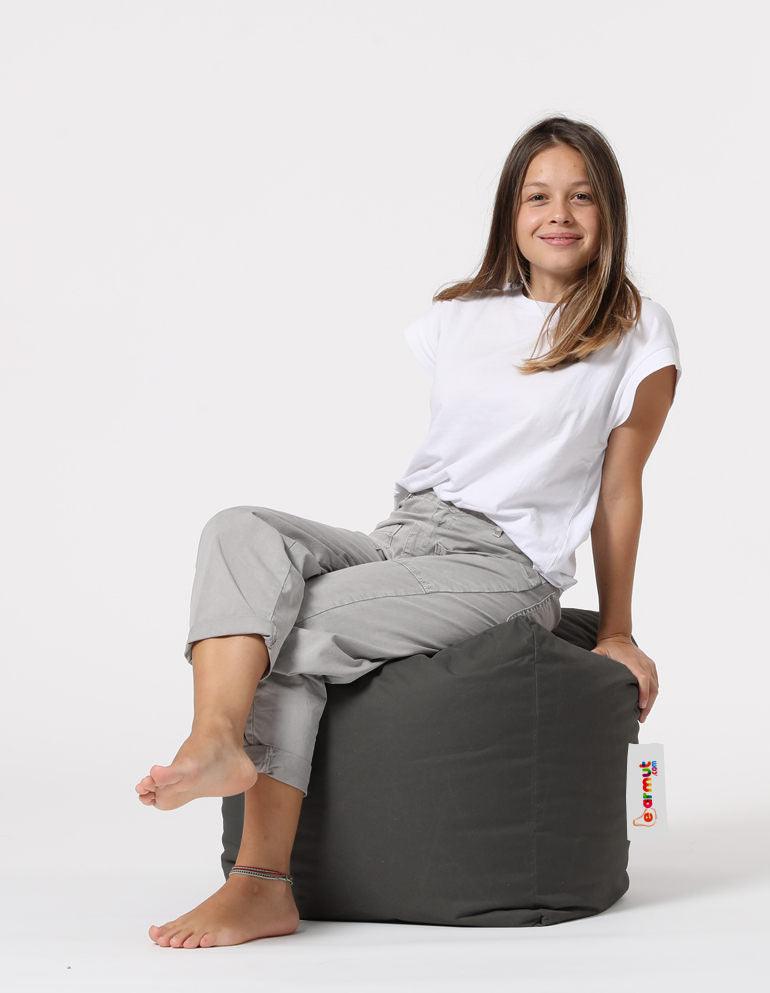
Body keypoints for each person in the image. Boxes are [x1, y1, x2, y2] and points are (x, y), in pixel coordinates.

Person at [136, 115, 682, 948]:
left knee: (296, 630)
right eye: (537, 197)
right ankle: (215, 738)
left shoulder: (636, 330)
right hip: (406, 534)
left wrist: (617, 629)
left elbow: (619, 490)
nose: (559, 214)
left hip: (505, 565)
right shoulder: (459, 316)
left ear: (609, 211)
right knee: (237, 530)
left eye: (581, 198)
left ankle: (260, 884)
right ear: (511, 212)